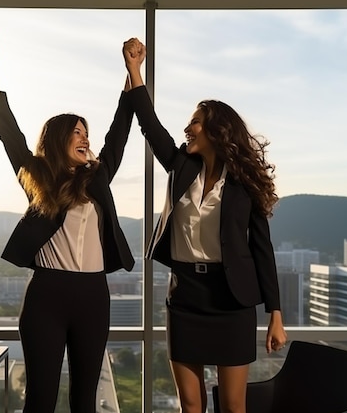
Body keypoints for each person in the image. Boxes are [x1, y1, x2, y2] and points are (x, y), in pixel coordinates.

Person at [122, 38, 287, 413]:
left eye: (195, 121)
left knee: (232, 406)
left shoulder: (245, 184)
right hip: (185, 297)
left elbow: (263, 249)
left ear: (216, 129)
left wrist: (275, 315)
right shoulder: (181, 167)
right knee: (191, 407)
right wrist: (134, 71)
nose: (187, 128)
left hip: (231, 300)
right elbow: (150, 125)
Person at [0, 38, 136, 413]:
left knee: (85, 402)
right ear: (60, 139)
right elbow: (7, 131)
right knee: (41, 401)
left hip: (94, 297)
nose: (86, 138)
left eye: (86, 132)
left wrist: (132, 72)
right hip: (47, 296)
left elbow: (120, 130)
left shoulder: (98, 177)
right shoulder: (37, 177)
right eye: (77, 132)